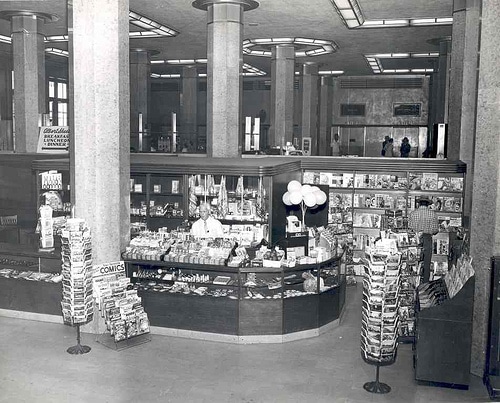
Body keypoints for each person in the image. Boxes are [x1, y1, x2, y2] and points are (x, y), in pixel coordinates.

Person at [408, 197, 439, 282]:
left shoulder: (413, 213)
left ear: (419, 204)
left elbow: (409, 228)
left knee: (413, 261)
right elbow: (435, 230)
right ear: (428, 204)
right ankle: (425, 284)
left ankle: (413, 283)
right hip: (427, 239)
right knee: (426, 263)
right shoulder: (433, 214)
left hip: (414, 240)